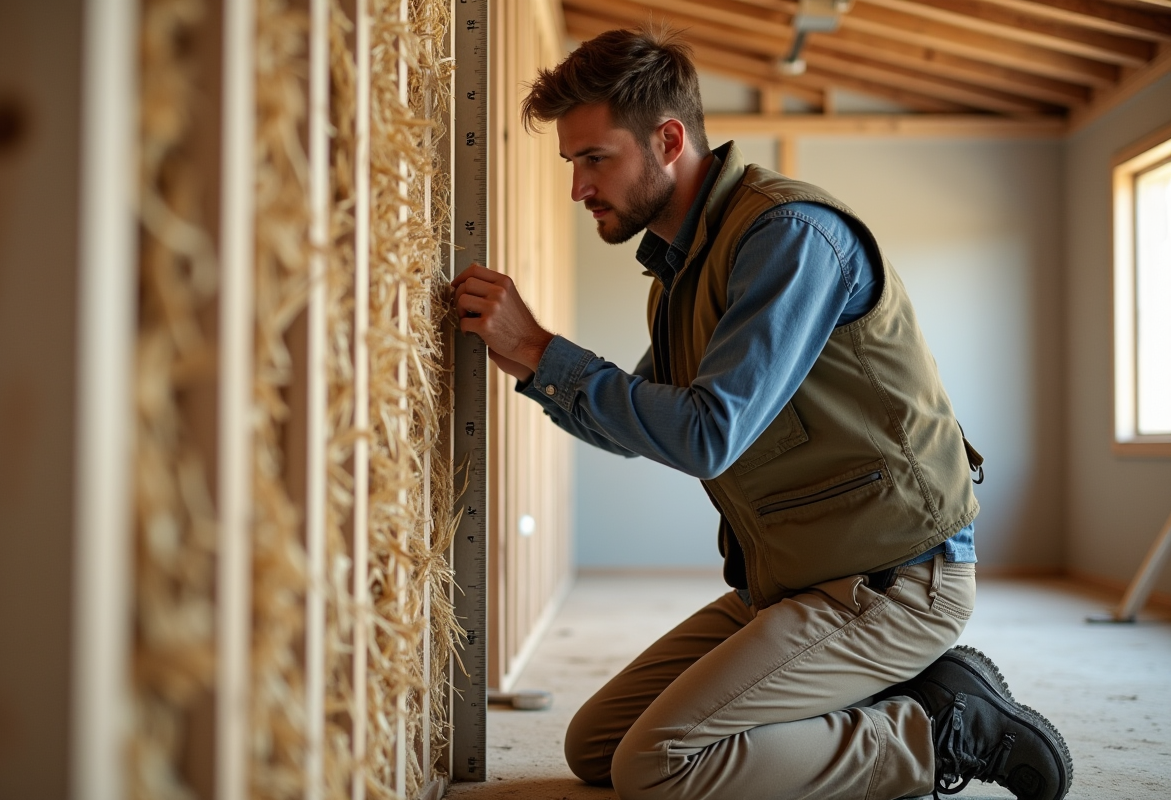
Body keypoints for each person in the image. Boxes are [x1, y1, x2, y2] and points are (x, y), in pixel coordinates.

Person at [450, 25, 1073, 800]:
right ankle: (890, 689)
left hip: (894, 579)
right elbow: (645, 420)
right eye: (572, 163)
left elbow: (707, 434)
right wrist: (527, 364)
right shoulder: (681, 275)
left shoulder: (789, 235)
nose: (578, 187)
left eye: (593, 159)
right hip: (796, 579)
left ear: (668, 138)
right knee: (597, 746)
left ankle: (934, 733)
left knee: (657, 766)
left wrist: (545, 352)